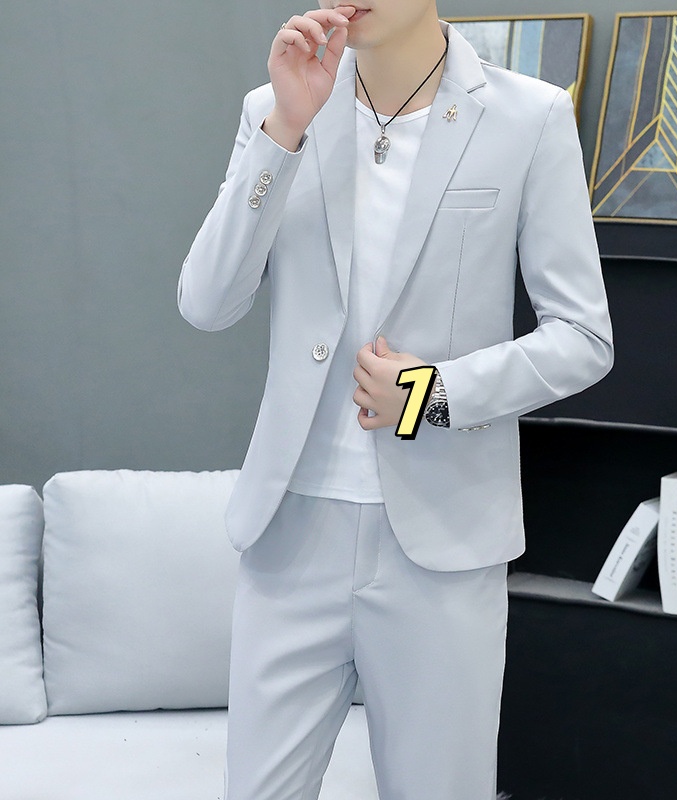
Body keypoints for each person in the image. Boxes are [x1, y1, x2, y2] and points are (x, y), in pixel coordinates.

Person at [178, 2, 613, 798]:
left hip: (441, 548)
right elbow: (207, 303)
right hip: (289, 535)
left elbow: (584, 337)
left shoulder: (530, 117)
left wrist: (434, 393)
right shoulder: (275, 108)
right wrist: (284, 131)